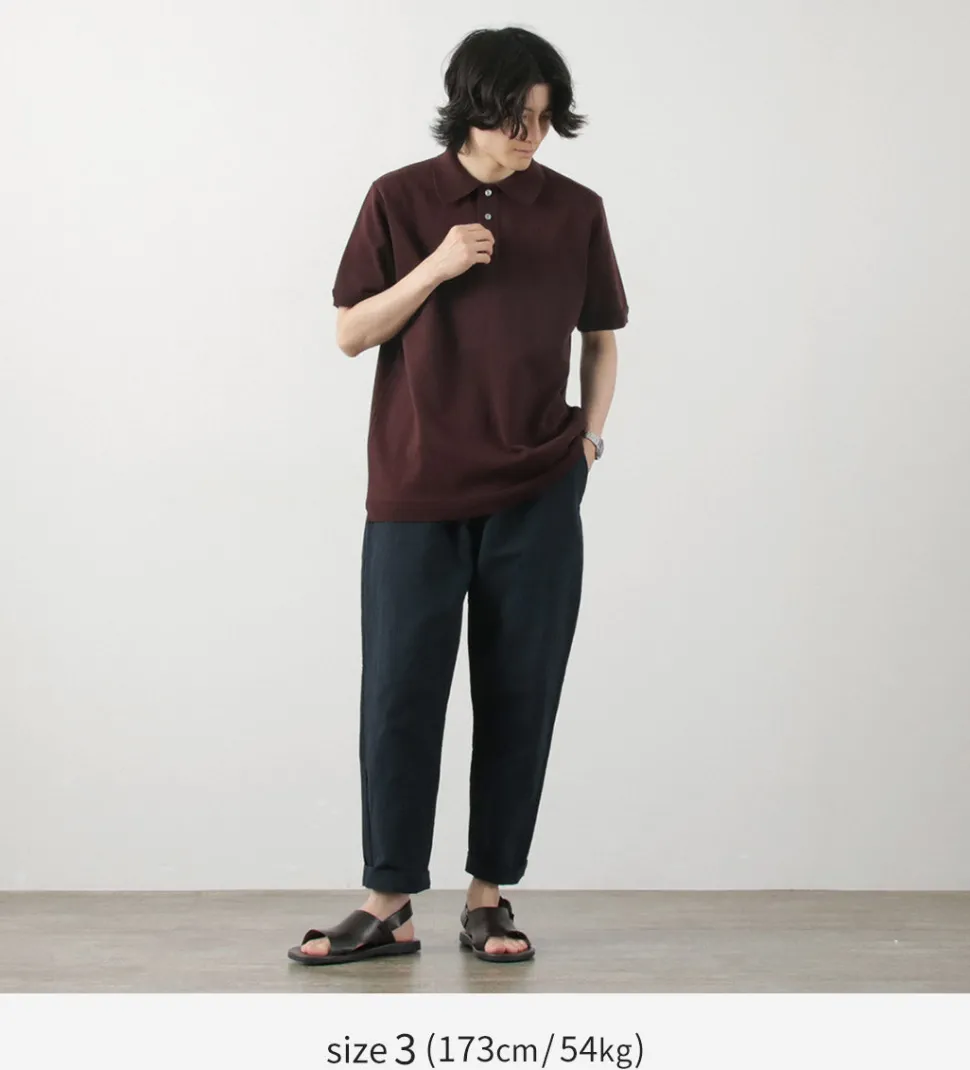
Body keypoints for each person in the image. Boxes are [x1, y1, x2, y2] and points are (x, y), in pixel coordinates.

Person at [287, 25, 628, 967]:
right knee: (399, 694)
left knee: (521, 694)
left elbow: (601, 336)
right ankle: (388, 901)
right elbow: (351, 332)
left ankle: (489, 898)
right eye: (517, 117)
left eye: (544, 119)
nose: (531, 137)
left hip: (539, 490)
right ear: (472, 106)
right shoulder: (399, 199)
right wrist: (437, 265)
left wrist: (589, 441)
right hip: (415, 487)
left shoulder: (577, 210)